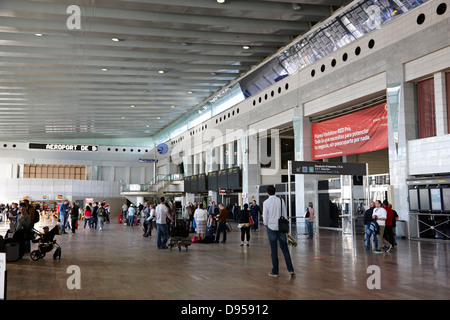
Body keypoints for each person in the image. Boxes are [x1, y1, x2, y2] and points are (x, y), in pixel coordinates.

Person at [263, 185, 295, 277]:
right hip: (281, 227)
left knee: (274, 251)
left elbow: (265, 216)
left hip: (271, 227)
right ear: (275, 192)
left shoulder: (266, 202)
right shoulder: (281, 200)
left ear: (267, 192)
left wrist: (266, 224)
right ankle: (291, 269)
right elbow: (284, 214)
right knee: (285, 249)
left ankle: (275, 271)